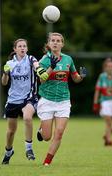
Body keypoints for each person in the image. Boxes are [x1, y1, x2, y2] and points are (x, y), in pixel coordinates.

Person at [36, 32, 87, 166]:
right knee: (47, 137)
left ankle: (47, 162)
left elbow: (75, 78)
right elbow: (41, 80)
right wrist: (51, 67)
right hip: (47, 100)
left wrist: (81, 76)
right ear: (48, 44)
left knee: (59, 133)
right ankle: (41, 130)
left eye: (58, 41)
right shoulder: (43, 61)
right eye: (52, 40)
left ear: (62, 44)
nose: (55, 42)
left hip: (63, 101)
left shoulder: (68, 59)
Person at [1, 38, 48, 164]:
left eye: (24, 46)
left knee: (27, 117)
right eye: (20, 46)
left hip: (29, 97)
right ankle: (8, 151)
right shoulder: (10, 63)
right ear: (15, 49)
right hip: (13, 99)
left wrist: (40, 71)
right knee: (11, 132)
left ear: (26, 49)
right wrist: (5, 73)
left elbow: (37, 66)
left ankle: (29, 148)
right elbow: (4, 83)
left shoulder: (31, 59)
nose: (22, 48)